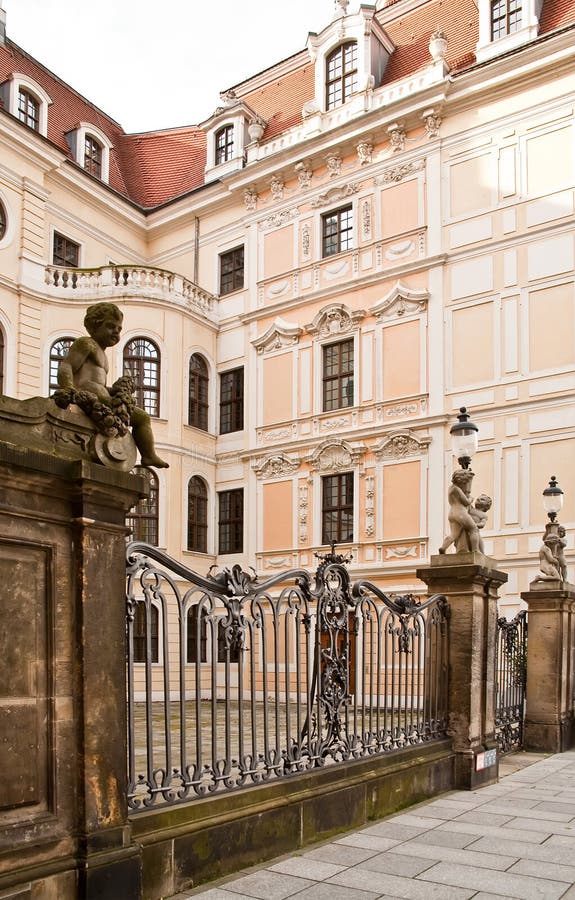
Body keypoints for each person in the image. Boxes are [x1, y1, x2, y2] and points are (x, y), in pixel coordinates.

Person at [54, 302, 168, 468]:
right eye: (110, 326)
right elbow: (67, 366)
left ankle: (149, 455)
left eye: (119, 328)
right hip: (89, 399)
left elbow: (98, 382)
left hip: (102, 400)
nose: (116, 331)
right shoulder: (86, 344)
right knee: (141, 417)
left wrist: (114, 390)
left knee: (142, 417)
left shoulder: (103, 355)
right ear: (94, 326)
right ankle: (149, 455)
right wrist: (68, 387)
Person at [439, 468, 480, 554]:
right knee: (474, 529)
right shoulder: (457, 489)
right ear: (461, 480)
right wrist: (471, 499)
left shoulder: (450, 488)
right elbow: (466, 502)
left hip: (452, 513)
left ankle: (443, 548)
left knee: (454, 534)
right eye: (465, 482)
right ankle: (476, 550)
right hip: (460, 512)